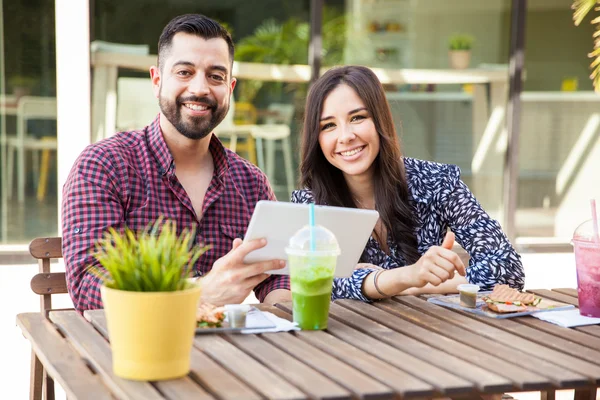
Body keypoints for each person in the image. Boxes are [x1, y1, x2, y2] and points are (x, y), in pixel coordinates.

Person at [62, 14, 291, 311]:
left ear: (230, 89)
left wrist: (283, 305)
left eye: (216, 76)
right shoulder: (104, 166)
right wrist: (197, 294)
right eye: (184, 72)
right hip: (130, 349)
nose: (200, 89)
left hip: (230, 351)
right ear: (157, 80)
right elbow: (89, 287)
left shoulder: (250, 182)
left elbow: (276, 275)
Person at [292, 65, 524, 302]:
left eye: (358, 117)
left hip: (430, 331)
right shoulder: (310, 206)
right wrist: (411, 276)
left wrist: (409, 285)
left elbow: (507, 270)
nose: (345, 136)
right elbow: (317, 282)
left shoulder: (436, 182)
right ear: (316, 138)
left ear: (380, 119)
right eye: (328, 125)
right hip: (346, 335)